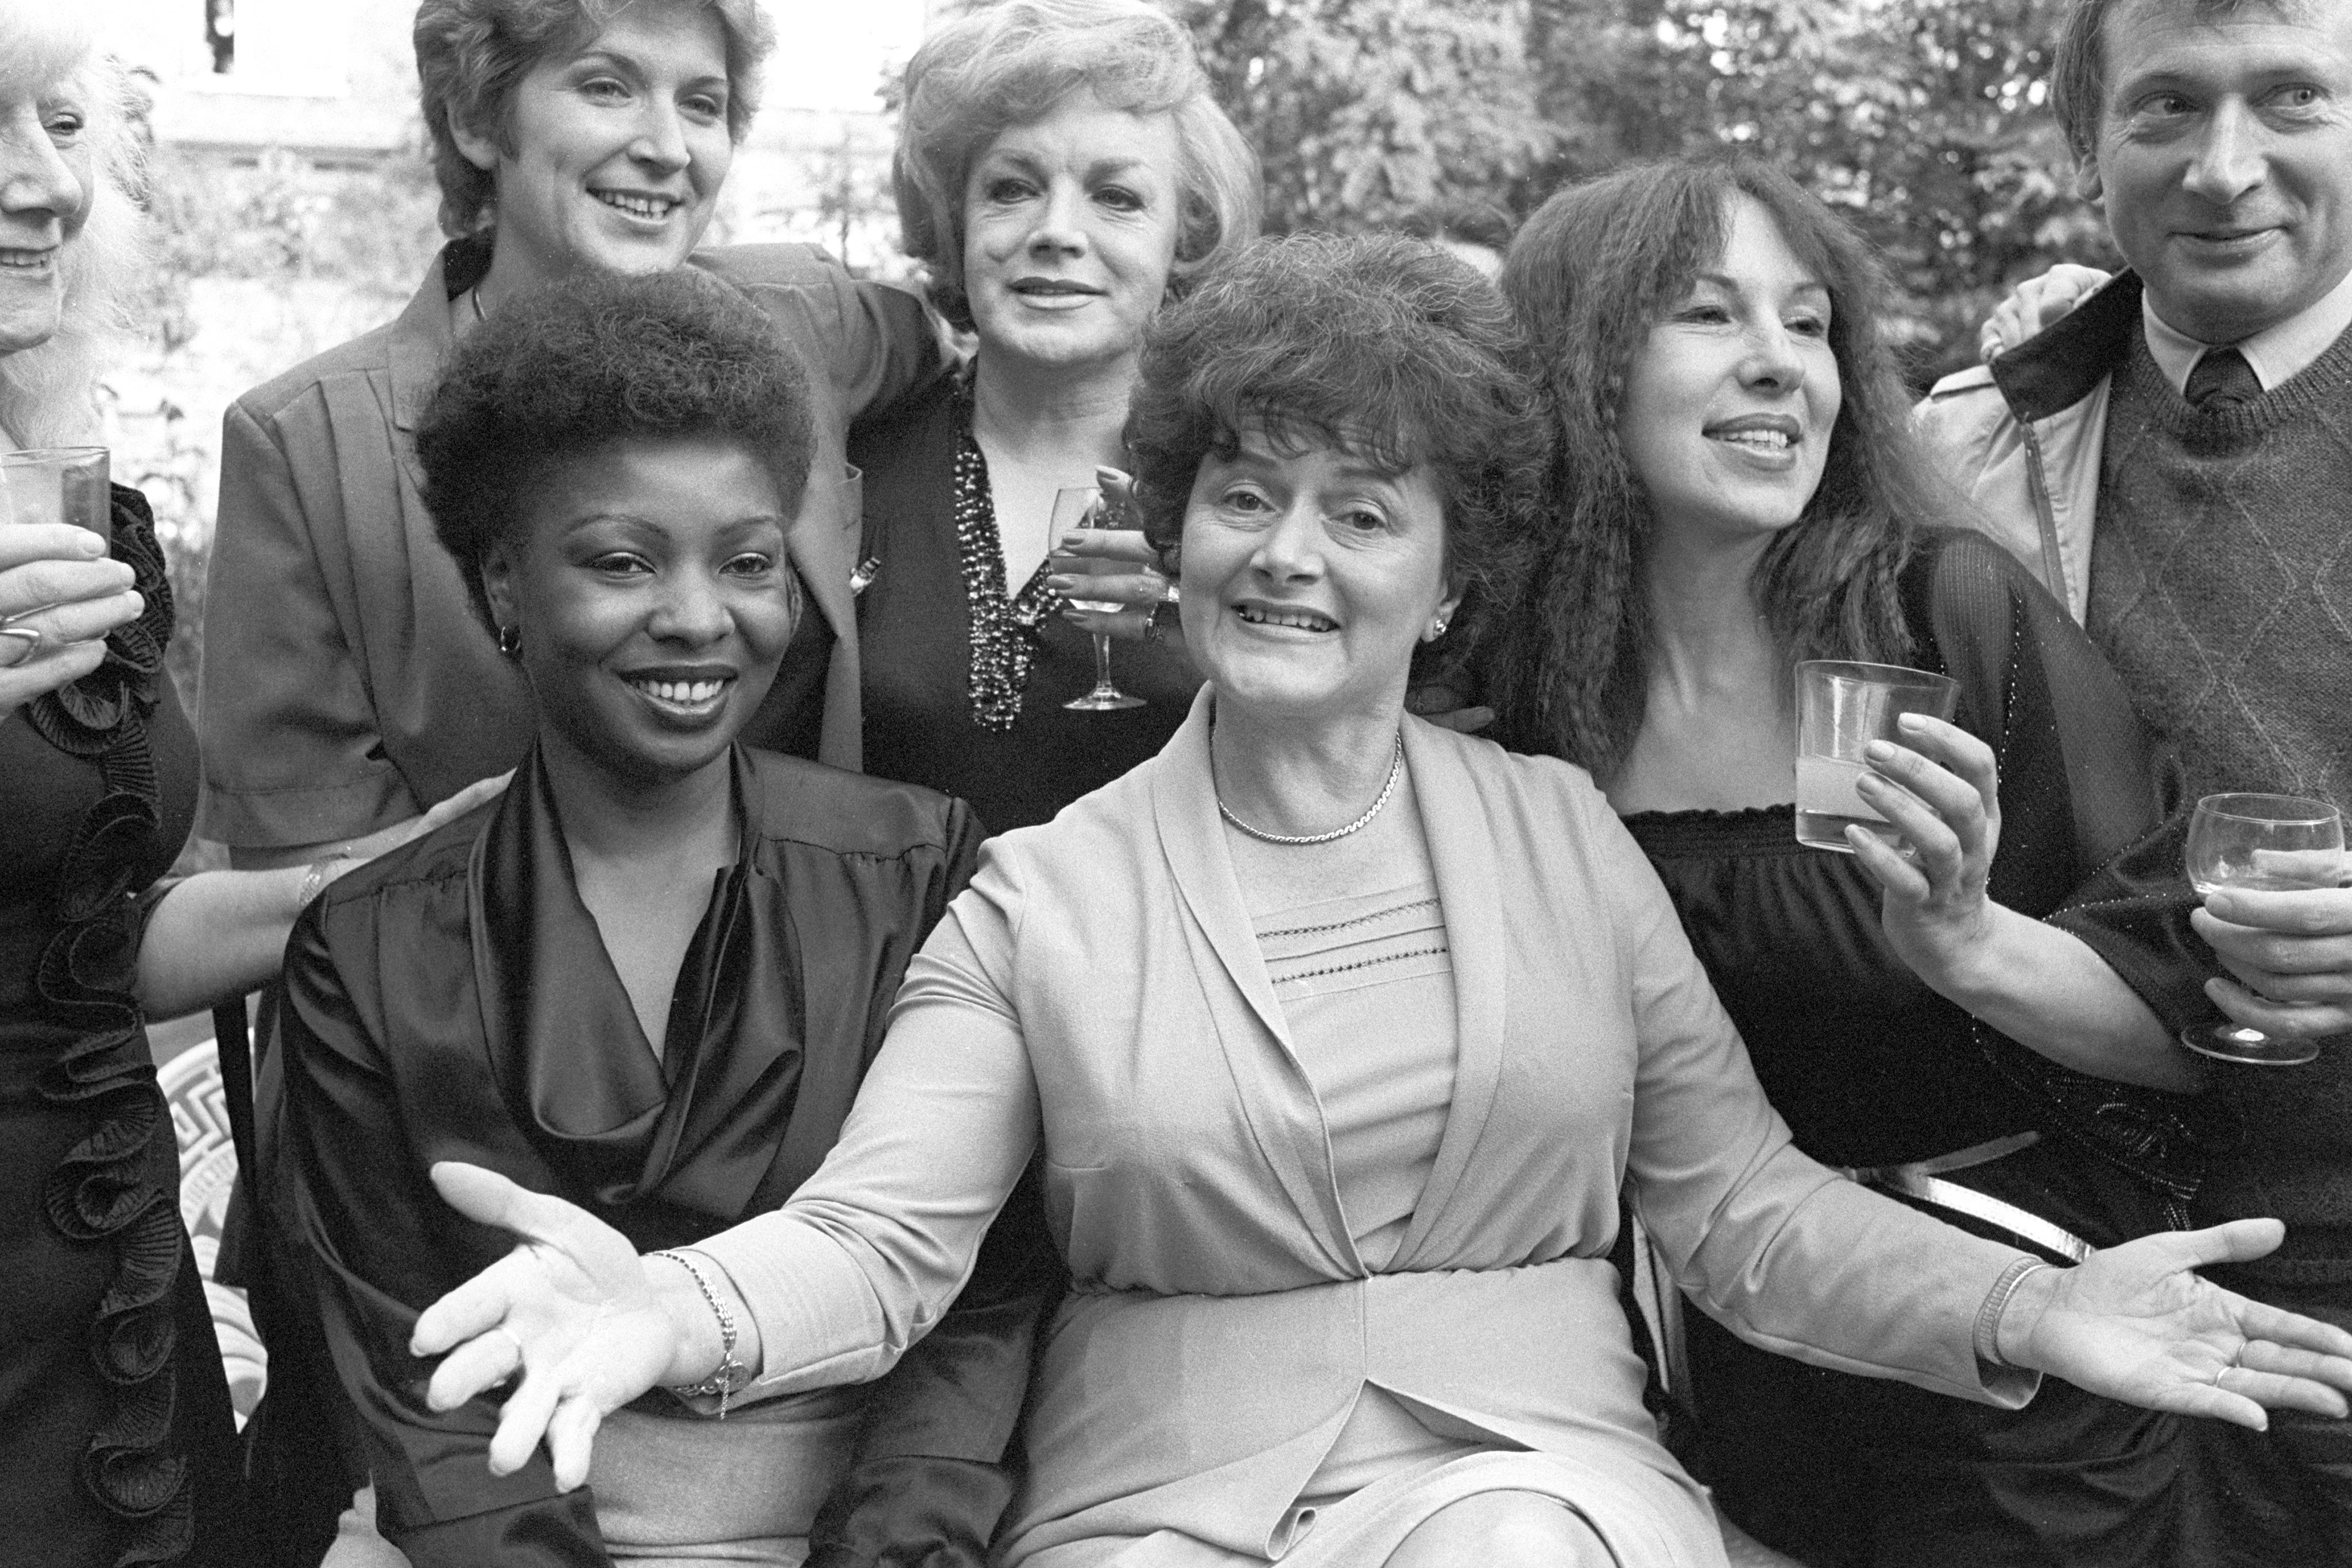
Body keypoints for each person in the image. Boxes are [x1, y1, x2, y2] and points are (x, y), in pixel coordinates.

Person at [395, 235, 2352, 1568]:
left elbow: (1739, 1212)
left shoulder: (1557, 840)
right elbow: (877, 1235)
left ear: (1446, 570)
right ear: (1168, 540)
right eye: (1243, 497)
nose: (1289, 556)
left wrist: (2031, 1304)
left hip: (1528, 1482)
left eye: (1360, 510)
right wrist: (672, 1306)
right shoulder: (1039, 900)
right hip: (1148, 1495)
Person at [1484, 152, 2225, 1566]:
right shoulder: (1524, 695)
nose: (1777, 365)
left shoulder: (1900, 631)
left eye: (1809, 324)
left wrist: (1966, 944)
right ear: (1578, 365)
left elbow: (2182, 1035)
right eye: (1707, 316)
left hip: (2030, 1355)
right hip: (1723, 1361)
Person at [269, 272, 1055, 1567]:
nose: (700, 617)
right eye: (623, 561)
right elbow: (414, 1389)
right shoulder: (366, 947)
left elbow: (985, 1294)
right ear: (505, 587)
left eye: (747, 561)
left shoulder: (919, 869)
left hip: (871, 1528)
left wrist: (892, 1553)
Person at [0, 10, 486, 1563]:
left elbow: (91, 946)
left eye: (62, 129)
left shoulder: (81, 508)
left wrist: (418, 856)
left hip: (103, 1294)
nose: (38, 187)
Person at [1913, 2, 2352, 1555]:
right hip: (2087, 1283)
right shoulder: (1959, 457)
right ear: (2087, 142)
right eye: (2165, 108)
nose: (2226, 169)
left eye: (2293, 97)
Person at [196, 0, 943, 873]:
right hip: (485, 986)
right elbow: (302, 871)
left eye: (702, 104)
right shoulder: (309, 448)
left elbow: (988, 345)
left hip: (826, 969)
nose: (669, 147)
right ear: (477, 118)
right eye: (607, 86)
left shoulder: (805, 318)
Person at [849, 0, 1258, 832]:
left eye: (1114, 196)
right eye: (1011, 189)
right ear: (953, 217)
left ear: (1186, 235)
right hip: (870, 958)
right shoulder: (849, 461)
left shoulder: (1249, 490)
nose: (1056, 232)